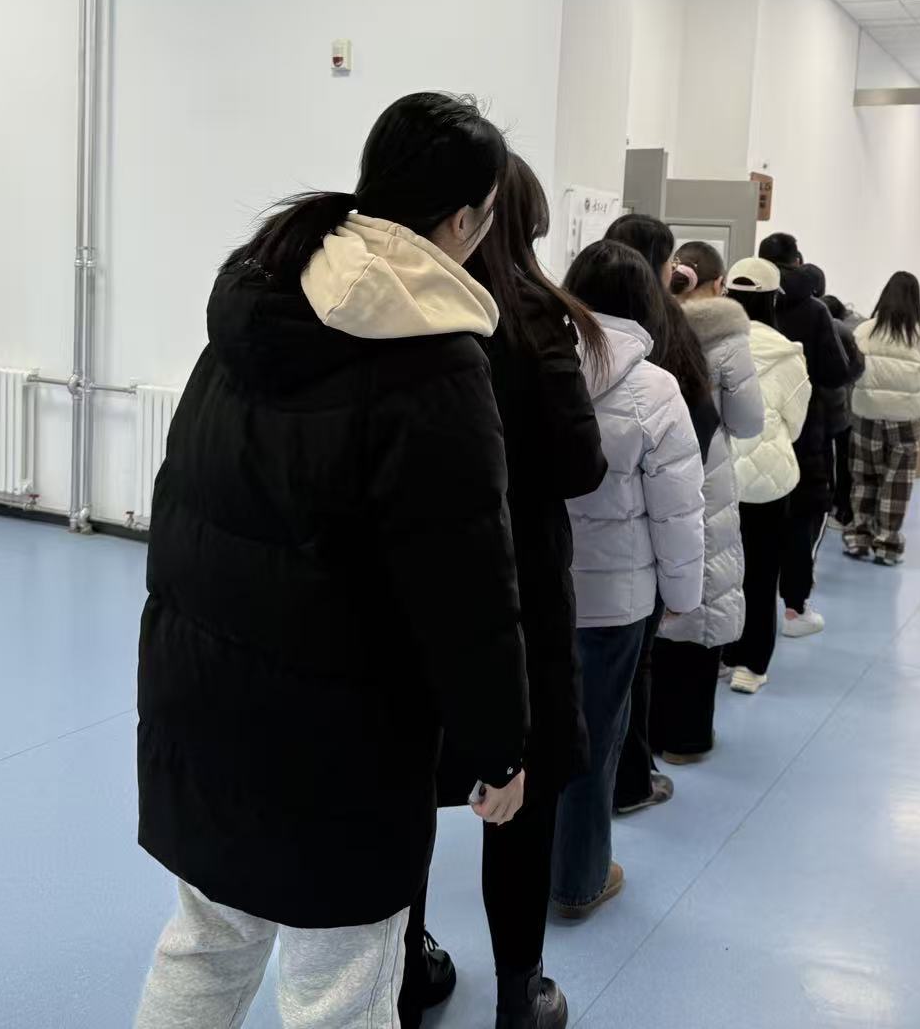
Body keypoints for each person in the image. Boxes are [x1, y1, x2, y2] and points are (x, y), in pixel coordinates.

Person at [134, 93, 529, 1029]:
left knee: (205, 943)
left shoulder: (257, 305)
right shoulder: (434, 361)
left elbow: (183, 506)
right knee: (340, 989)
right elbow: (467, 592)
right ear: (464, 221)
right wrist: (499, 749)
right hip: (342, 742)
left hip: (202, 700)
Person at [398, 157, 607, 1029]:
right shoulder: (531, 316)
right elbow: (580, 463)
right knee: (520, 798)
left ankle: (404, 971)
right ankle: (520, 991)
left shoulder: (399, 306)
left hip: (409, 584)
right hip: (519, 587)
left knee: (406, 786)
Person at [553, 241, 706, 917]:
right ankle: (579, 878)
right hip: (616, 603)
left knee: (532, 738)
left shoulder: (535, 363)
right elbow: (678, 511)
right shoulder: (654, 388)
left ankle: (526, 868)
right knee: (596, 742)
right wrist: (682, 596)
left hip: (537, 590)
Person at [601, 214, 717, 816]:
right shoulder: (666, 338)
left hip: (564, 550)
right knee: (631, 671)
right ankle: (631, 780)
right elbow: (686, 465)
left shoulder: (558, 336)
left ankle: (613, 781)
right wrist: (683, 587)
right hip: (636, 548)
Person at [657, 241, 766, 760]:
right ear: (719, 284)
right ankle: (685, 736)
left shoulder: (653, 324)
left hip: (653, 470)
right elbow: (748, 421)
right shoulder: (728, 337)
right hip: (706, 473)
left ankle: (648, 732)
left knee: (657, 595)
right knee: (703, 592)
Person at [757, 233, 857, 637]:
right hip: (804, 431)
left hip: (752, 427)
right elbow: (835, 372)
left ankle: (748, 610)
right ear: (798, 261)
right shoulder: (815, 310)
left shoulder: (743, 300)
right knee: (804, 516)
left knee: (752, 519)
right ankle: (794, 610)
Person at [720, 257, 811, 694]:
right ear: (774, 300)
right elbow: (796, 425)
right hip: (768, 483)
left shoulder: (712, 343)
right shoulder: (789, 355)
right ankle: (751, 665)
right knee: (760, 573)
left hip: (715, 474)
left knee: (718, 570)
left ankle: (721, 651)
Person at [845, 271, 920, 566]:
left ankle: (859, 538)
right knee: (897, 482)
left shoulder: (865, 330)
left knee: (864, 477)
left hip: (866, 413)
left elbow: (851, 365)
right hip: (904, 419)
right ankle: (887, 545)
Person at [823, 294, 863, 528]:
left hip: (841, 404)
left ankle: (840, 507)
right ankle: (843, 508)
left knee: (839, 457)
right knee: (846, 458)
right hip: (852, 403)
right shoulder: (857, 326)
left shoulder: (839, 329)